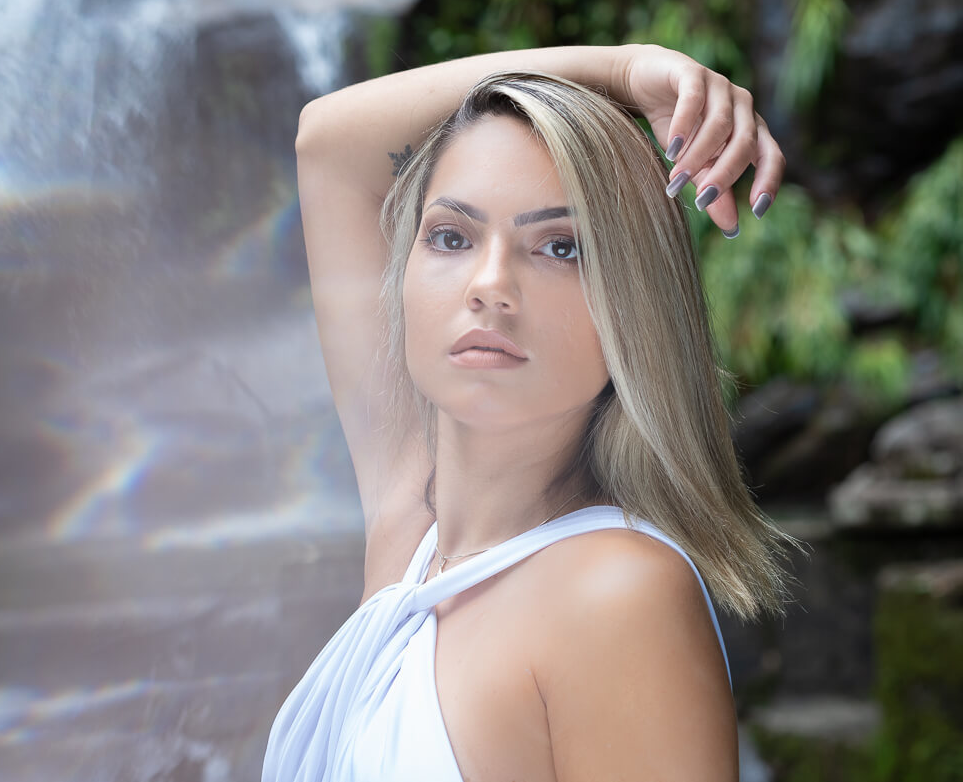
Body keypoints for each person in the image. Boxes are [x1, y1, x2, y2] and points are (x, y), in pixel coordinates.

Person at [263, 44, 797, 781]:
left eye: (559, 247)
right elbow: (330, 142)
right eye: (451, 236)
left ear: (632, 305)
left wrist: (622, 79)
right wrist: (623, 70)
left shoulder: (617, 597)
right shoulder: (412, 536)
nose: (489, 284)